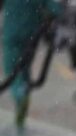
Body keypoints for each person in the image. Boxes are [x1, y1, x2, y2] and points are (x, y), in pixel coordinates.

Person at [1, 0, 61, 128]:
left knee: (12, 70)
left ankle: (20, 95)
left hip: (11, 32)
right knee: (24, 69)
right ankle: (23, 97)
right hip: (31, 34)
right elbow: (56, 10)